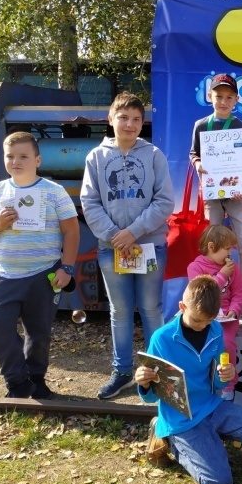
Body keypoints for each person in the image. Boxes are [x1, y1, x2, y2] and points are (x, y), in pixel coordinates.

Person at [136, 276, 242, 484]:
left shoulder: (215, 329)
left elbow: (216, 382)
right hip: (181, 418)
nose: (202, 327)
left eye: (208, 321)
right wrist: (144, 383)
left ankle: (206, 443)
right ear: (182, 307)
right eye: (198, 320)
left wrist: (226, 374)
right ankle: (168, 439)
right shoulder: (161, 339)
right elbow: (151, 397)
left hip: (211, 405)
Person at [0, 131, 79, 399]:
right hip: (4, 274)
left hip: (44, 273)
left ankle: (36, 380)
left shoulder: (55, 192)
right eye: (10, 156)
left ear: (37, 159)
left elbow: (72, 232)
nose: (16, 162)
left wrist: (66, 268)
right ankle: (17, 382)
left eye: (23, 156)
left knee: (39, 333)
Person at [81, 91, 174, 400]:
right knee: (120, 311)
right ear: (111, 119)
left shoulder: (154, 155)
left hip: (149, 247)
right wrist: (113, 235)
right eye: (123, 118)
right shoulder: (96, 157)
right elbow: (89, 202)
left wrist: (133, 232)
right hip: (111, 249)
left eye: (137, 119)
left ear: (143, 123)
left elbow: (164, 201)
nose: (130, 124)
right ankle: (122, 372)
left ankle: (155, 373)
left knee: (151, 309)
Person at [190, 73, 242, 312]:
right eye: (218, 96)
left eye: (229, 97)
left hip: (237, 196)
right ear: (210, 97)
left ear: (236, 99)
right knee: (213, 245)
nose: (223, 101)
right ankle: (214, 291)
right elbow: (193, 153)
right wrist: (197, 164)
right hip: (212, 195)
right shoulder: (201, 125)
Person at [187, 224, 242, 401]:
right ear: (211, 247)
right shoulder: (195, 267)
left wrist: (234, 310)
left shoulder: (233, 267)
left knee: (226, 342)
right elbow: (201, 294)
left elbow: (239, 292)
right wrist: (221, 276)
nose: (230, 253)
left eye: (231, 248)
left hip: (226, 318)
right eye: (227, 248)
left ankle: (228, 387)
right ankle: (200, 383)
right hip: (202, 315)